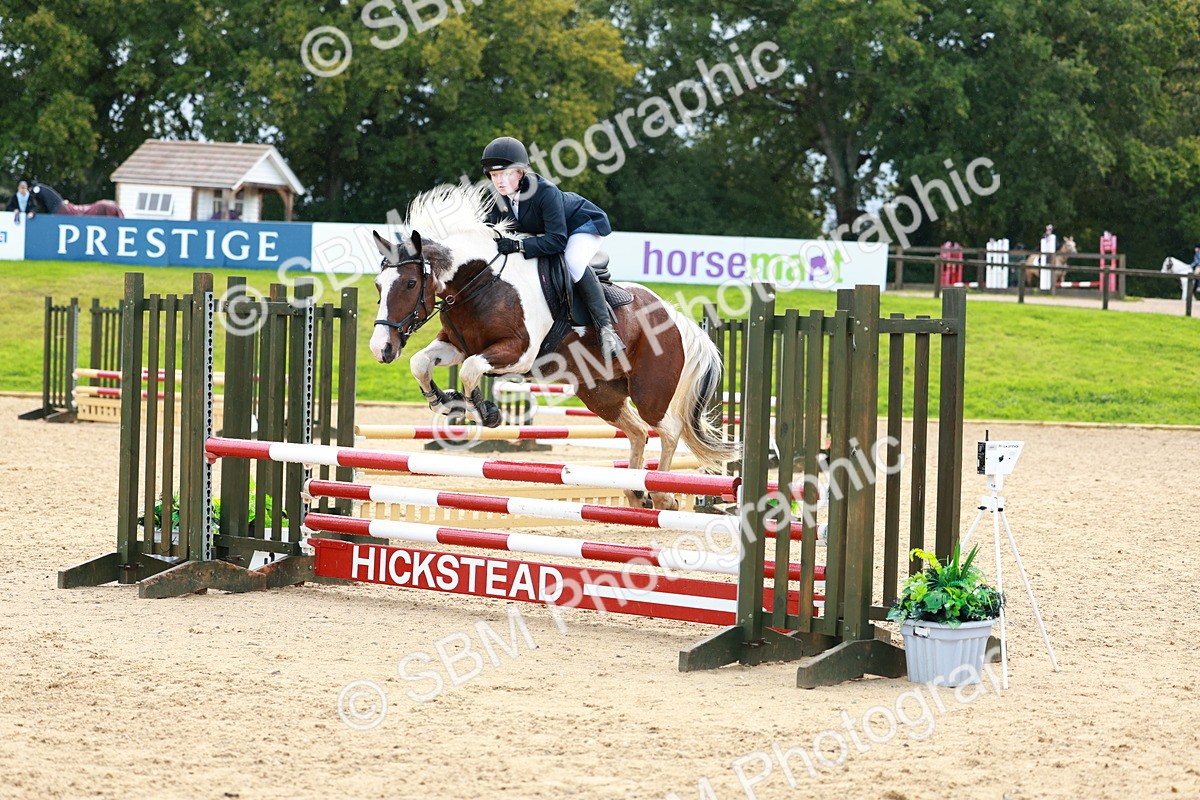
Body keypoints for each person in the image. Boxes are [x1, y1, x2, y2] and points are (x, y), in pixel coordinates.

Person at [480, 136, 625, 359]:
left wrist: (518, 244)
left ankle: (607, 330)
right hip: (549, 232)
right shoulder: (497, 197)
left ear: (520, 173)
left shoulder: (545, 191)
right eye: (494, 175)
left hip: (583, 224)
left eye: (506, 173)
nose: (499, 181)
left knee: (572, 263)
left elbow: (557, 240)